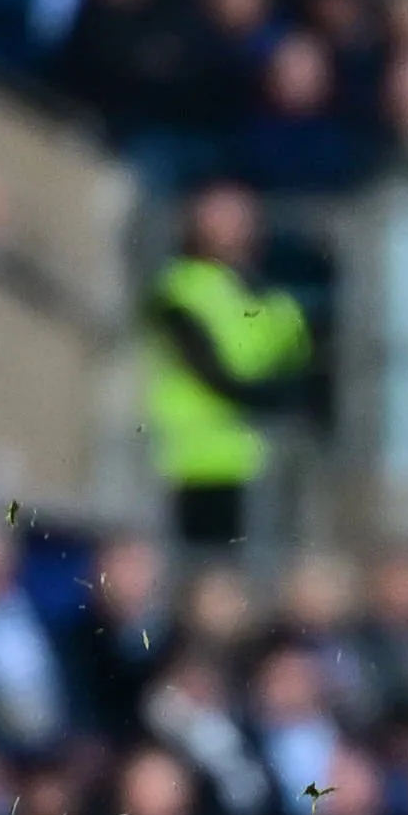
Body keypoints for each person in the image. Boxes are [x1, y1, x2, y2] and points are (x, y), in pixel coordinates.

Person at [148, 177, 310, 547]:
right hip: (196, 464)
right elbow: (214, 372)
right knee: (205, 564)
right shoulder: (179, 288)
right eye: (217, 214)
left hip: (267, 463)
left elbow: (304, 368)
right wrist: (278, 398)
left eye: (237, 214)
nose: (228, 225)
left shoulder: (275, 299)